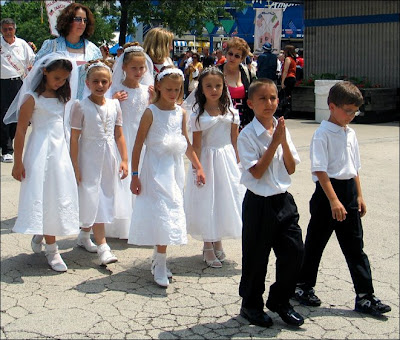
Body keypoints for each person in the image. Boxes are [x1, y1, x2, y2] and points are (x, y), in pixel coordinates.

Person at [294, 81, 391, 317]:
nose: (351, 115)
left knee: (356, 247)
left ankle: (365, 296)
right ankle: (302, 286)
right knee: (316, 243)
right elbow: (320, 170)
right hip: (327, 194)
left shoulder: (351, 133)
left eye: (354, 111)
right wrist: (334, 201)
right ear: (332, 106)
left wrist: (359, 194)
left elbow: (354, 167)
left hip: (347, 192)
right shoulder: (322, 134)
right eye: (347, 110)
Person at [128, 66, 205, 288]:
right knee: (160, 209)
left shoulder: (181, 113)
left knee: (170, 210)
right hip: (154, 168)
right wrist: (134, 175)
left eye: (177, 89)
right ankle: (160, 261)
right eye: (169, 89)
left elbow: (185, 143)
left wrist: (197, 166)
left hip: (173, 168)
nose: (173, 94)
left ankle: (158, 256)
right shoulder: (150, 112)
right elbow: (137, 146)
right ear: (159, 87)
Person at [237, 78, 304, 327]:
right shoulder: (247, 135)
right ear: (251, 103)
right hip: (259, 203)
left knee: (295, 252)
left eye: (273, 98)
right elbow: (256, 172)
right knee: (256, 258)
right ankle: (251, 305)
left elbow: (290, 167)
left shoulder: (280, 129)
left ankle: (280, 300)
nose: (269, 103)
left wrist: (282, 140)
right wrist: (274, 142)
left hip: (283, 201)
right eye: (263, 99)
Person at [4, 53, 79, 272]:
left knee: (56, 193)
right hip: (39, 149)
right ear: (44, 72)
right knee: (43, 193)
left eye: (64, 79)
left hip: (59, 151)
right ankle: (52, 250)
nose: (60, 83)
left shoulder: (62, 97)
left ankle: (43, 232)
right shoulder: (31, 98)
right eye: (57, 78)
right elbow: (19, 131)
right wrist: (17, 163)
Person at [184, 66, 245, 268]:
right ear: (201, 89)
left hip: (226, 159)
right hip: (208, 160)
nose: (214, 90)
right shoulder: (199, 115)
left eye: (218, 86)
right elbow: (197, 144)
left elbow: (235, 141)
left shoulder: (231, 113)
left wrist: (238, 164)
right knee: (207, 200)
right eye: (208, 86)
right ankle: (208, 244)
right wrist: (197, 167)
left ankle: (217, 238)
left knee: (223, 199)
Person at [69, 61, 129, 265]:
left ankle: (84, 235)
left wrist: (125, 159)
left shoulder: (114, 105)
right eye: (95, 81)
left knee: (103, 196)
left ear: (110, 82)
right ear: (87, 83)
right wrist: (75, 165)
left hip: (108, 157)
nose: (100, 85)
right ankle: (103, 247)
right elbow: (74, 138)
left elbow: (119, 133)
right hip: (88, 157)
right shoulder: (80, 106)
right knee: (91, 197)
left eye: (104, 81)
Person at [105, 44, 154, 239]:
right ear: (123, 67)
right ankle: (121, 224)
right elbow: (103, 108)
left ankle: (140, 220)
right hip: (123, 138)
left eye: (141, 68)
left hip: (141, 140)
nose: (139, 72)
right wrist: (113, 99)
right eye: (134, 68)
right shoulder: (115, 89)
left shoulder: (146, 90)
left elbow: (151, 114)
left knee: (142, 175)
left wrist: (152, 100)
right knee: (121, 178)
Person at [35, 2, 102, 100]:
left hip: (84, 105)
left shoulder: (94, 51)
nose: (82, 23)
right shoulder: (51, 46)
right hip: (55, 103)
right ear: (68, 20)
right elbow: (37, 73)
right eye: (78, 19)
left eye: (85, 20)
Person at [1, 18, 35, 163]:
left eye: (10, 29)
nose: (8, 32)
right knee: (2, 115)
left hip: (18, 82)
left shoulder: (22, 44)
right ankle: (7, 149)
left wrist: (31, 68)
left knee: (18, 114)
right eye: (5, 29)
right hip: (2, 83)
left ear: (15, 29)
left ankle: (9, 140)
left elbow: (32, 61)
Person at [218, 37, 256, 130]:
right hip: (221, 121)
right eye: (230, 54)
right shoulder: (216, 72)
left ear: (242, 58)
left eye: (237, 56)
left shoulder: (247, 73)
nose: (232, 58)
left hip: (243, 122)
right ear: (226, 54)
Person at [280, 45, 297, 118]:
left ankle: (285, 112)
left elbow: (285, 71)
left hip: (288, 77)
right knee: (289, 95)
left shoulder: (287, 59)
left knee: (285, 95)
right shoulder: (293, 59)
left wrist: (282, 82)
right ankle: (288, 111)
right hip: (293, 77)